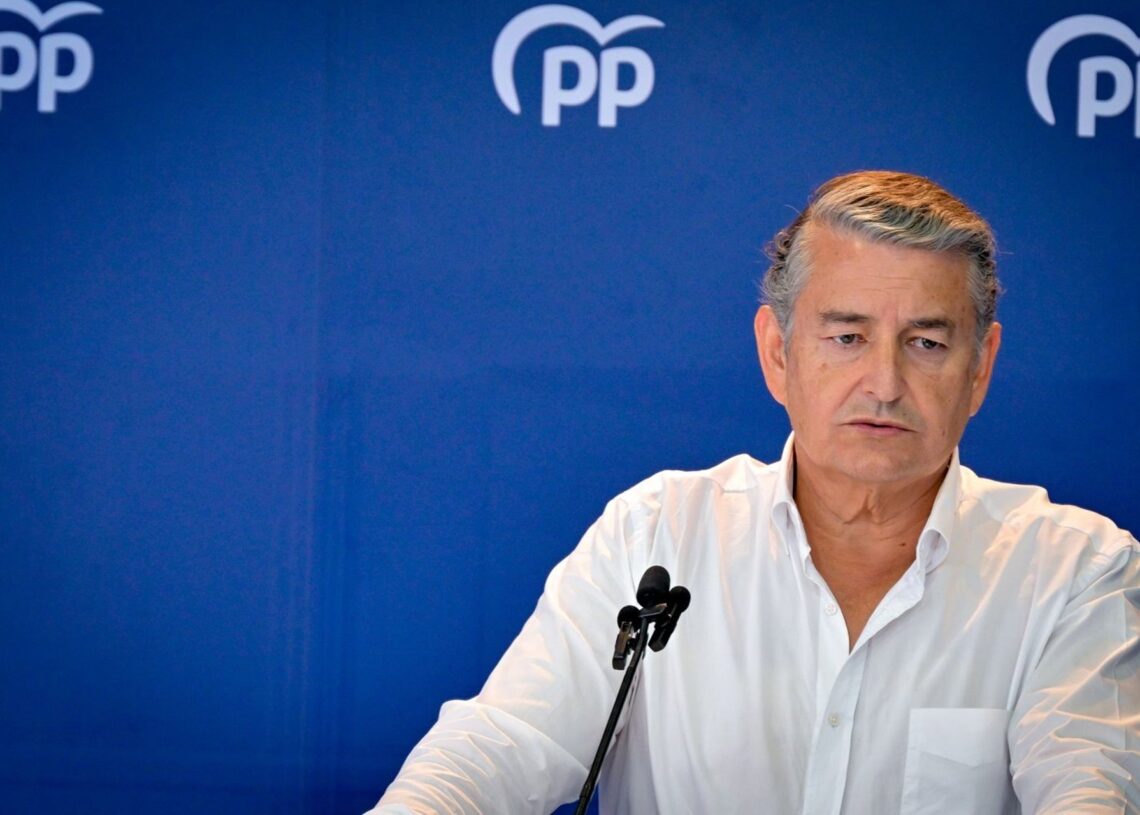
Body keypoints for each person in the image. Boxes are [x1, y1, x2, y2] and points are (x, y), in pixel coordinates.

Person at [369, 171, 1140, 814]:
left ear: (980, 368)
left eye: (927, 342)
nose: (884, 382)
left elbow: (1089, 785)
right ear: (777, 353)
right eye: (847, 337)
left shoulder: (1072, 571)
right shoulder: (657, 537)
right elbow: (502, 746)